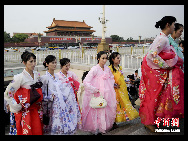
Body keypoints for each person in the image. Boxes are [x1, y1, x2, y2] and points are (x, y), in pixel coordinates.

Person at [139, 16, 184, 132]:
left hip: (158, 72)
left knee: (158, 97)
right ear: (168, 25)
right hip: (156, 73)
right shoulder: (163, 39)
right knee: (154, 97)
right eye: (174, 24)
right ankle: (149, 122)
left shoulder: (163, 38)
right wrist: (166, 66)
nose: (174, 27)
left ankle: (154, 121)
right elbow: (151, 55)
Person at [4, 51, 43, 135]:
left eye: (34, 61)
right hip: (26, 112)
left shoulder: (37, 75)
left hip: (36, 109)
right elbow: (8, 93)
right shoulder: (19, 77)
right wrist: (16, 106)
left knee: (37, 130)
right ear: (24, 63)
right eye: (31, 61)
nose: (33, 64)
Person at [41, 55, 81, 135]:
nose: (54, 64)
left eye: (55, 62)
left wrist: (69, 88)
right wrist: (50, 97)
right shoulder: (44, 78)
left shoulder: (56, 76)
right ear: (47, 64)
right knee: (51, 125)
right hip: (50, 104)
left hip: (59, 105)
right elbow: (42, 93)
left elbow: (62, 89)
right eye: (52, 63)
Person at [81, 51, 117, 134]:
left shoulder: (107, 68)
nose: (104, 60)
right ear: (98, 59)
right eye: (103, 58)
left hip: (107, 93)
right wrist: (94, 89)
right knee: (97, 111)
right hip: (97, 94)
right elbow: (86, 81)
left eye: (106, 58)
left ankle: (105, 127)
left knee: (106, 109)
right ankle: (98, 128)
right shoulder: (95, 69)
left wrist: (110, 86)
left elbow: (111, 78)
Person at [108, 52, 139, 124]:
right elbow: (108, 79)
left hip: (122, 89)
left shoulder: (119, 68)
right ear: (113, 59)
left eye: (120, 58)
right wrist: (114, 85)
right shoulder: (109, 69)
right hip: (115, 90)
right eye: (117, 58)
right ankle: (114, 121)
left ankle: (122, 118)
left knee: (124, 103)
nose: (119, 59)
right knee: (116, 105)